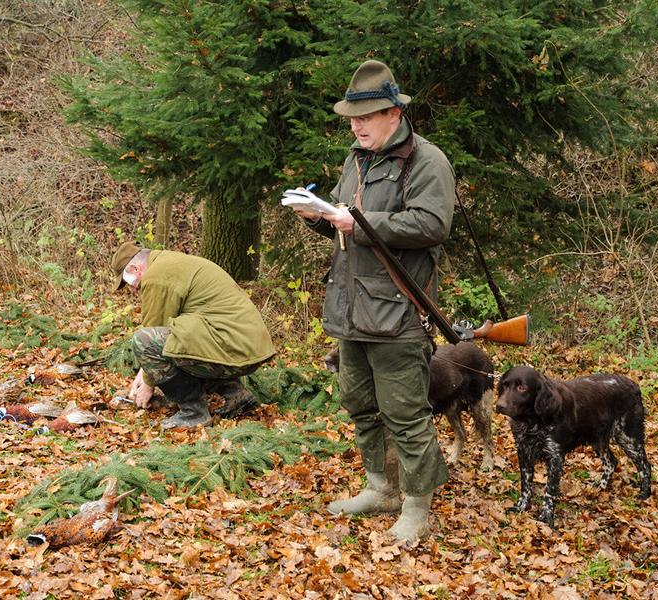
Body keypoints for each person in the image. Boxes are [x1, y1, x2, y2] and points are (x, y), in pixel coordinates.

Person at [293, 60, 455, 542]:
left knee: (405, 411)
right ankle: (381, 488)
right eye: (352, 119)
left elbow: (432, 225)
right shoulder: (357, 159)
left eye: (365, 117)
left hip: (398, 312)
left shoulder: (427, 161)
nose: (356, 127)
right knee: (361, 404)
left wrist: (360, 222)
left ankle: (417, 505)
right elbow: (344, 222)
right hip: (349, 308)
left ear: (393, 114)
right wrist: (318, 216)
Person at [110, 241, 276, 429]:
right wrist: (144, 373)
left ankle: (193, 412)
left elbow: (151, 335)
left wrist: (148, 384)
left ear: (135, 268)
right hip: (247, 345)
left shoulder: (156, 276)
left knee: (143, 340)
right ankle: (236, 394)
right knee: (187, 335)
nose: (132, 290)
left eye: (128, 283)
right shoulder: (171, 263)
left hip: (230, 343)